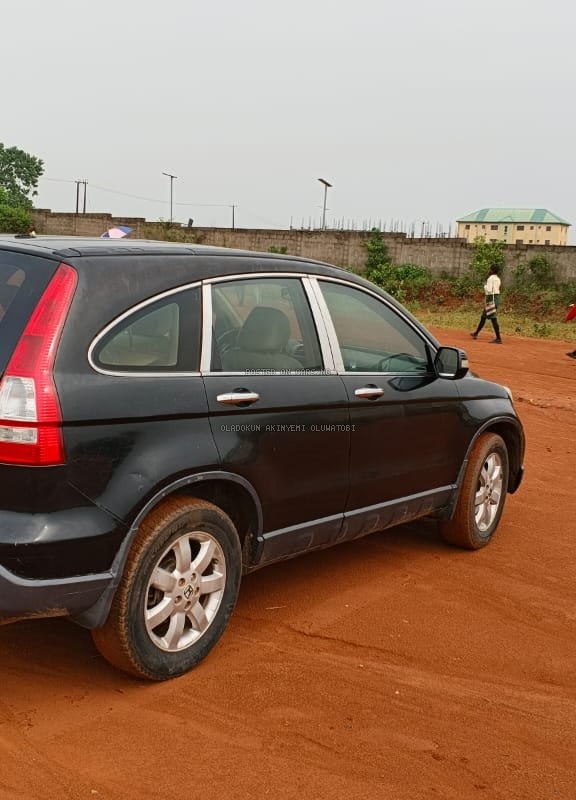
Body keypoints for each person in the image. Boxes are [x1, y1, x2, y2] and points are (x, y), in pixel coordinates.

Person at [471, 264, 502, 344]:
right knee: (483, 316)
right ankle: (476, 333)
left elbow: (488, 290)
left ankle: (498, 338)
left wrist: (484, 286)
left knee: (493, 318)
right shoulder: (498, 279)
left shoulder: (490, 278)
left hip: (491, 298)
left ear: (491, 270)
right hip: (496, 298)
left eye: (490, 269)